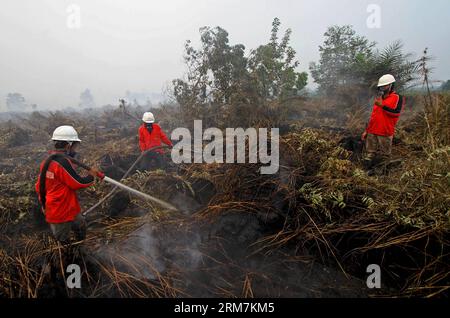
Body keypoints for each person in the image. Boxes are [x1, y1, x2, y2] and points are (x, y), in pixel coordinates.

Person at [35, 125, 101, 244]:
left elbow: (40, 185)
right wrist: (91, 175)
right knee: (63, 242)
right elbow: (78, 183)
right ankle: (70, 259)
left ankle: (80, 247)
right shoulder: (62, 162)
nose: (76, 149)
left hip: (66, 206)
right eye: (75, 145)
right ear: (68, 145)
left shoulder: (48, 161)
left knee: (80, 225)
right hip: (59, 210)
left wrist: (43, 203)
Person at [361, 74, 405, 171]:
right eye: (381, 86)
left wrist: (382, 106)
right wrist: (367, 130)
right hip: (372, 131)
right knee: (369, 154)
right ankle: (366, 173)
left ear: (391, 85)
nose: (383, 88)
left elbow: (396, 113)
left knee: (385, 156)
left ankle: (383, 175)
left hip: (385, 132)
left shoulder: (397, 97)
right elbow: (374, 116)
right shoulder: (379, 97)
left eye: (385, 86)